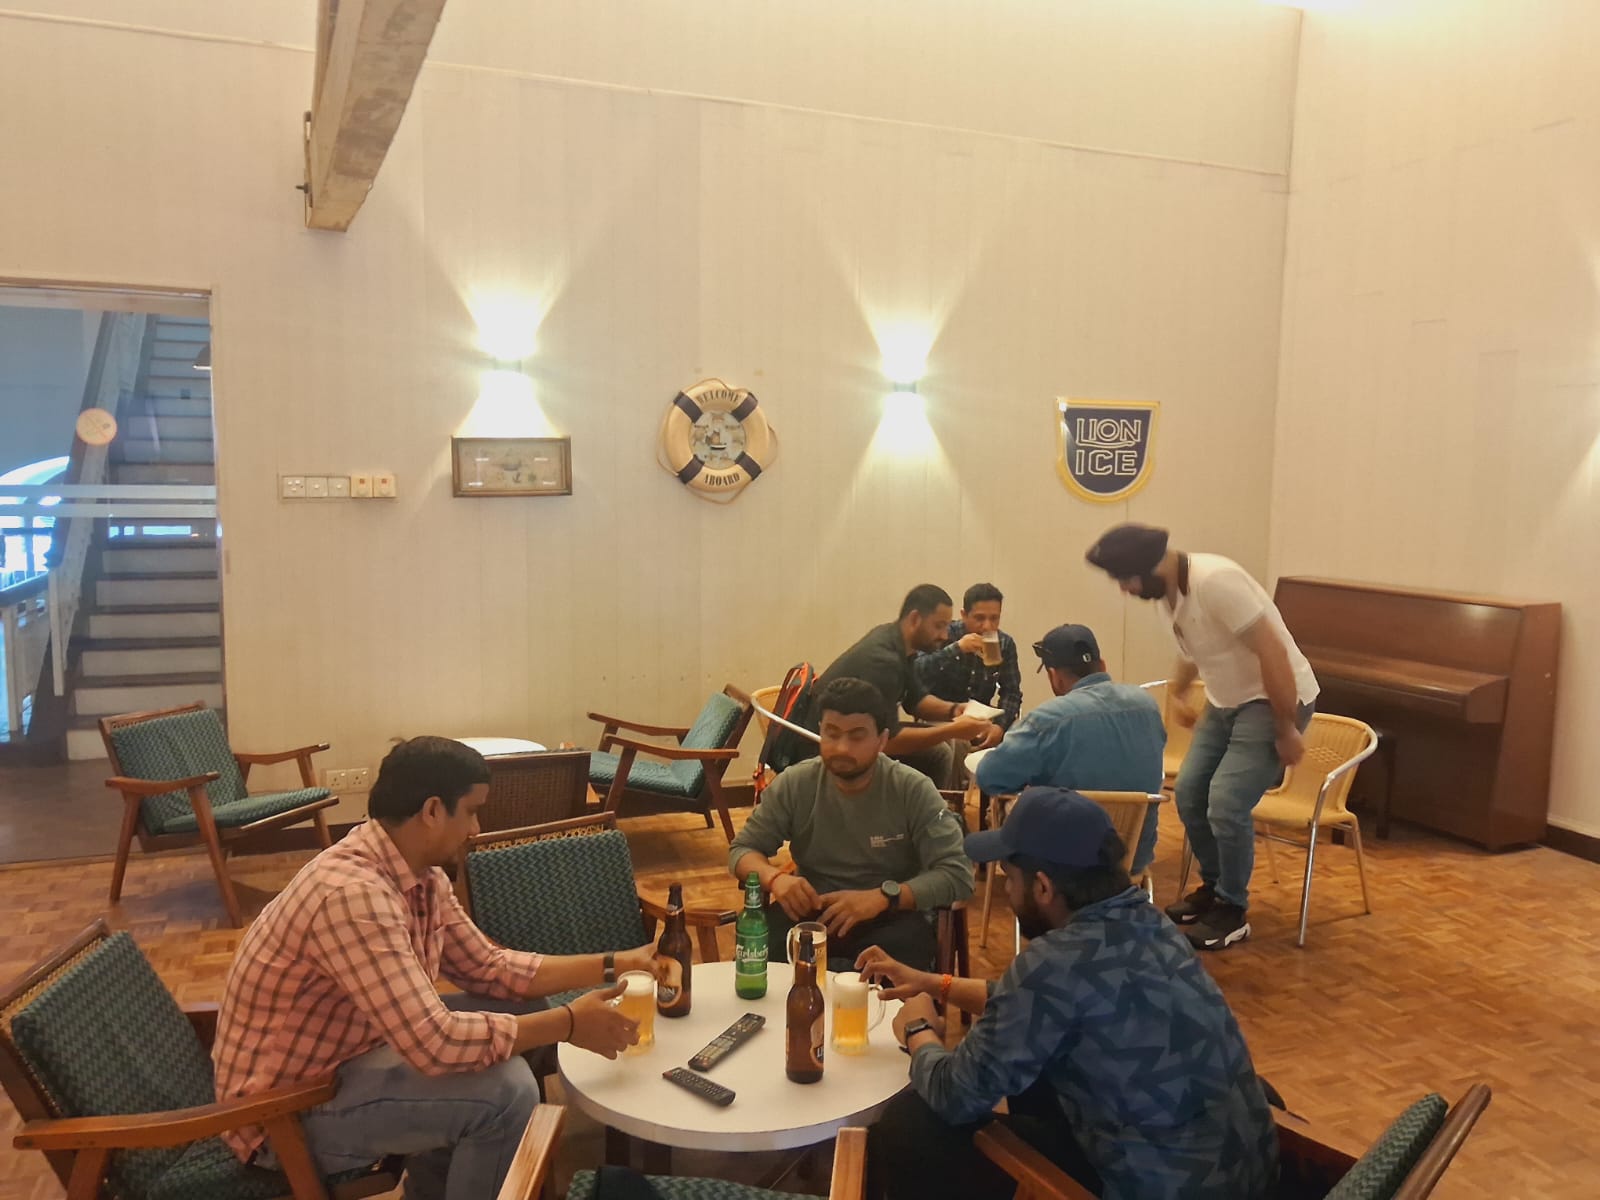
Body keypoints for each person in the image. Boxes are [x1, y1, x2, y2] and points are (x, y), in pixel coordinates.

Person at [213, 737, 657, 1200]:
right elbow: (435, 1044)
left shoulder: (417, 874)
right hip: (283, 1114)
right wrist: (568, 1023)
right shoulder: (353, 895)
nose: (475, 828)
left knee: (525, 1008)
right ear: (431, 810)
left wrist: (618, 964)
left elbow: (491, 969)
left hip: (351, 1055)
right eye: (471, 812)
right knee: (506, 1094)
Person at [861, 787, 1279, 1200]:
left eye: (1009, 877)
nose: (1008, 891)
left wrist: (918, 1029)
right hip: (1248, 1174)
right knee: (1035, 1076)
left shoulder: (1052, 961)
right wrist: (934, 984)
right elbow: (1037, 1006)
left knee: (910, 1123)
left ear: (1043, 887)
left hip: (1149, 1186)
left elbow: (954, 1095)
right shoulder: (1153, 924)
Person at [1086, 523, 1319, 952]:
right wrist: (1178, 693)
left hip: (1272, 701)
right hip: (1225, 701)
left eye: (1126, 578)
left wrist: (1286, 728)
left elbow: (1273, 652)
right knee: (1191, 794)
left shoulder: (1216, 582)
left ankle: (1233, 909)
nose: (1124, 589)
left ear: (1152, 564)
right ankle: (1215, 887)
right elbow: (1193, 649)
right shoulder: (1169, 594)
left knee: (1226, 804)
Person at [728, 677, 974, 971]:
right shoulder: (796, 783)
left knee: (896, 967)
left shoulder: (912, 789)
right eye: (831, 734)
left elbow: (958, 876)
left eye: (857, 736)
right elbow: (742, 850)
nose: (842, 748)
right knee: (754, 958)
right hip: (812, 911)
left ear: (882, 740)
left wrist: (884, 897)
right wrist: (774, 878)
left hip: (890, 916)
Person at [974, 623, 1165, 878]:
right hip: (1131, 860)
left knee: (1011, 808)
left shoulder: (1047, 720)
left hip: (1063, 865)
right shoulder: (1148, 706)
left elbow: (988, 776)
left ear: (1054, 676)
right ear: (1103, 665)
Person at [814, 583, 995, 783]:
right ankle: (928, 804)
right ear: (915, 619)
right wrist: (953, 730)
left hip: (860, 732)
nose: (944, 636)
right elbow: (889, 741)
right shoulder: (883, 661)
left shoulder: (898, 642)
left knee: (946, 745)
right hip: (828, 744)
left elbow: (916, 701)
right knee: (939, 753)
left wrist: (956, 710)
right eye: (939, 626)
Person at [913, 581, 1023, 751]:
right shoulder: (944, 634)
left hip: (981, 719)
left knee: (1019, 739)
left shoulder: (1004, 643)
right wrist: (956, 649)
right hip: (941, 717)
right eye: (979, 618)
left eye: (994, 618)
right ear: (964, 615)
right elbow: (915, 672)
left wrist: (999, 726)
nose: (987, 626)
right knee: (958, 745)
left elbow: (1011, 692)